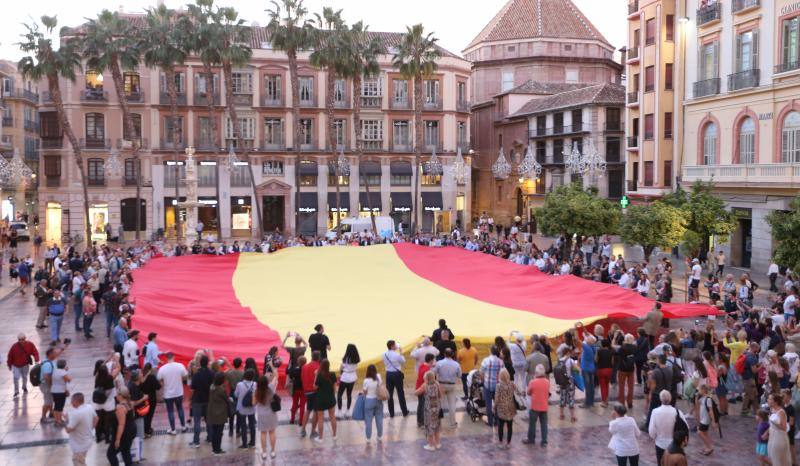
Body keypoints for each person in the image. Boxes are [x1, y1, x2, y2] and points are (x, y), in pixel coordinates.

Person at [648, 390, 686, 465]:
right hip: (675, 444)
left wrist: (655, 437)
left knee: (661, 463)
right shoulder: (677, 412)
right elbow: (685, 427)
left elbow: (652, 430)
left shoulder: (655, 412)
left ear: (660, 399)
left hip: (660, 443)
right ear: (670, 399)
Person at [156, 352, 188, 434]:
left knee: (170, 411)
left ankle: (173, 429)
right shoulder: (180, 366)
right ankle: (183, 427)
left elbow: (158, 378)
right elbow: (185, 376)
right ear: (173, 357)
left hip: (168, 393)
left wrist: (163, 384)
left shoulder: (163, 368)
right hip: (178, 392)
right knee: (180, 409)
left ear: (166, 358)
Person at [65, 392, 98, 466]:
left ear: (76, 401)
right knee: (81, 461)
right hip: (87, 440)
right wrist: (90, 428)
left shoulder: (76, 413)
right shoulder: (89, 407)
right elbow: (96, 418)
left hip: (80, 444)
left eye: (72, 401)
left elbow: (68, 430)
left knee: (78, 462)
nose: (71, 403)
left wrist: (66, 420)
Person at [107, 386, 137, 466]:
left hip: (124, 433)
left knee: (111, 454)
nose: (116, 396)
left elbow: (121, 424)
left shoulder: (120, 407)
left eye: (117, 394)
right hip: (132, 430)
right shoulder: (129, 403)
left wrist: (117, 439)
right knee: (125, 451)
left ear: (120, 395)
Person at [433, 348, 461, 427]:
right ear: (452, 354)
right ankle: (452, 422)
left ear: (444, 354)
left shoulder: (439, 363)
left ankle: (437, 422)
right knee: (452, 404)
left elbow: (434, 373)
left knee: (439, 403)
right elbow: (459, 375)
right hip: (451, 385)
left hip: (441, 384)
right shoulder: (456, 364)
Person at [415, 370, 442, 451]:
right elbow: (440, 395)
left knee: (429, 426)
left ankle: (431, 445)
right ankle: (437, 444)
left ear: (426, 378)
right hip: (437, 408)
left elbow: (416, 393)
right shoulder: (437, 383)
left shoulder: (425, 385)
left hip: (429, 409)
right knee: (437, 426)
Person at [7, 333, 39, 397]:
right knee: (16, 378)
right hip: (16, 365)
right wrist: (9, 365)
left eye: (23, 339)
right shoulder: (14, 346)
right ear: (18, 340)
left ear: (25, 339)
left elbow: (35, 352)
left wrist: (36, 360)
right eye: (20, 340)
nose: (21, 341)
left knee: (25, 377)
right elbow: (10, 356)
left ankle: (24, 387)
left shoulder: (30, 344)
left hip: (25, 364)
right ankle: (16, 391)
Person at [383, 340, 409, 418]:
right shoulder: (397, 355)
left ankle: (391, 413)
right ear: (392, 346)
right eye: (394, 345)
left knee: (389, 394)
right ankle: (404, 411)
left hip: (388, 374)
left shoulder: (383, 354)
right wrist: (401, 352)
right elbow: (403, 361)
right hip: (397, 374)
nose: (396, 346)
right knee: (400, 393)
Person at [313, 359, 337, 442]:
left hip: (321, 399)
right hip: (330, 399)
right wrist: (332, 396)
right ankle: (334, 435)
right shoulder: (333, 374)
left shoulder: (319, 375)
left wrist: (316, 375)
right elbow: (335, 388)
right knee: (332, 417)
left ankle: (321, 438)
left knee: (320, 419)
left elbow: (314, 387)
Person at [255, 374, 278, 460]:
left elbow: (254, 403)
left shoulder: (256, 391)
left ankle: (264, 452)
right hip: (271, 413)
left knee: (263, 433)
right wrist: (272, 365)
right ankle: (272, 451)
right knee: (272, 432)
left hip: (261, 414)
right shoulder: (271, 388)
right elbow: (276, 376)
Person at [481, 345, 504, 428]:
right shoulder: (500, 362)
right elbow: (502, 374)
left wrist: (483, 381)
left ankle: (490, 422)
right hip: (497, 385)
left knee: (488, 404)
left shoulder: (486, 360)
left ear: (490, 351)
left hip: (487, 385)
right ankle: (497, 421)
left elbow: (481, 373)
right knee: (497, 404)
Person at [234, 369, 257, 448]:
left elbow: (236, 395)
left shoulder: (239, 384)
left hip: (242, 408)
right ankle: (253, 442)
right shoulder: (255, 384)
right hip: (252, 407)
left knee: (243, 426)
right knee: (252, 425)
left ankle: (244, 444)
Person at [207, 372, 229, 456]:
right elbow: (226, 400)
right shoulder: (221, 390)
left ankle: (214, 449)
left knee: (214, 431)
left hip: (212, 413)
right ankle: (217, 449)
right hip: (220, 414)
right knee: (219, 433)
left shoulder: (212, 387)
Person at [494, 368, 517, 449]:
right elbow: (518, 392)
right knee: (510, 426)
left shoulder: (498, 386)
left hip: (501, 409)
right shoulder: (512, 384)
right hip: (511, 408)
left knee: (501, 426)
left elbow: (496, 398)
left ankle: (500, 442)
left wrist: (494, 407)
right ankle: (508, 443)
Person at [768, 392, 792, 466]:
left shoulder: (781, 412)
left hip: (779, 437)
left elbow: (784, 428)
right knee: (773, 457)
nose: (768, 400)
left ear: (775, 402)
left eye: (770, 399)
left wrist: (775, 423)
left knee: (778, 458)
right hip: (772, 435)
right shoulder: (772, 410)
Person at [362, 364, 384, 442]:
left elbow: (364, 392)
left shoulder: (366, 381)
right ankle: (380, 436)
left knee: (368, 420)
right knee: (379, 419)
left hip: (369, 400)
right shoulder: (379, 377)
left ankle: (368, 438)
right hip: (378, 400)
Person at [337, 344, 360, 417]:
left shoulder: (345, 359)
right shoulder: (357, 358)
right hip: (352, 376)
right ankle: (348, 411)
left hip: (345, 377)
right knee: (349, 394)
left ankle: (340, 411)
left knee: (339, 394)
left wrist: (341, 373)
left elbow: (341, 368)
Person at [696, 384, 717, 456]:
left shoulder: (708, 399)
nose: (698, 391)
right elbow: (697, 405)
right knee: (705, 433)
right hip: (703, 419)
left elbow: (711, 411)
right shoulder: (702, 398)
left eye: (699, 390)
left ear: (703, 390)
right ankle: (707, 447)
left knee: (700, 432)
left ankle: (710, 447)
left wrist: (713, 421)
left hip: (706, 419)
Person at [51, 359, 72, 426]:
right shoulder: (63, 372)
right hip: (60, 391)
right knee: (60, 406)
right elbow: (68, 380)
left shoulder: (54, 371)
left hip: (54, 390)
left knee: (56, 406)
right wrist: (66, 373)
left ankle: (56, 420)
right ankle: (59, 421)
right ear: (64, 365)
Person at [581, 334, 597, 408]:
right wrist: (585, 333)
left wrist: (575, 330)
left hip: (586, 369)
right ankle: (591, 402)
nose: (585, 339)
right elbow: (589, 338)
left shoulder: (586, 347)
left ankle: (587, 403)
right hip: (591, 368)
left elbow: (578, 341)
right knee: (591, 386)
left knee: (587, 386)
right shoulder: (593, 347)